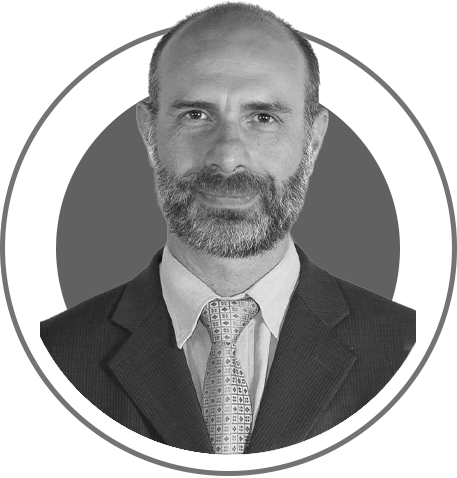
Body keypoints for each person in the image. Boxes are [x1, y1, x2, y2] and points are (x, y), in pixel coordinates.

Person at [40, 2, 416, 455]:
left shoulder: (413, 351)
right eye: (196, 115)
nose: (227, 157)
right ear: (148, 132)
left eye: (263, 118)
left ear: (313, 140)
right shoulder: (49, 356)